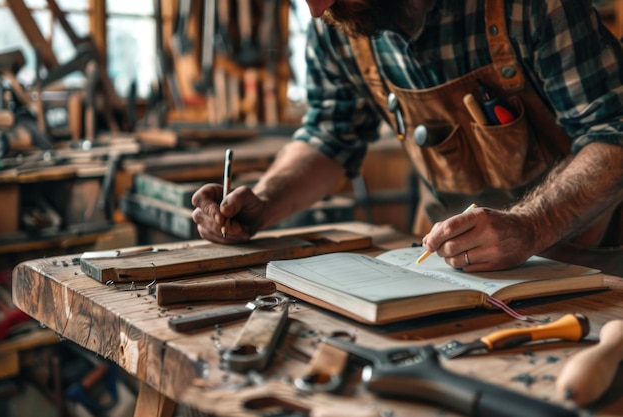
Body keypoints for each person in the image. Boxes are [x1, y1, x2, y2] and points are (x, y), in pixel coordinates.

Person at [192, 0, 623, 273]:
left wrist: (533, 226)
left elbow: (613, 135)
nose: (316, 10)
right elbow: (329, 135)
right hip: (450, 270)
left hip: (590, 266)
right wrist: (265, 201)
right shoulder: (341, 23)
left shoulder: (528, 8)